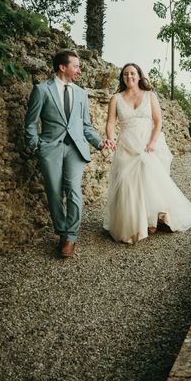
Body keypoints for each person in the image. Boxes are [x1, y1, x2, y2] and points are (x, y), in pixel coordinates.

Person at [103, 63, 191, 243]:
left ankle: (152, 218)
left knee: (149, 181)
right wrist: (111, 138)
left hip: (147, 143)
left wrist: (153, 142)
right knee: (128, 184)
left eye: (132, 73)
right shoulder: (116, 99)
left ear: (139, 76)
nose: (129, 77)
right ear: (122, 78)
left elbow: (158, 121)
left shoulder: (149, 95)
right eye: (125, 74)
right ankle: (134, 223)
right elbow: (110, 123)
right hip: (126, 145)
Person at [24, 49, 114, 258]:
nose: (79, 70)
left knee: (73, 189)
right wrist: (36, 146)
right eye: (76, 66)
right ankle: (62, 232)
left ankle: (71, 237)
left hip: (75, 148)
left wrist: (100, 142)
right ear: (62, 67)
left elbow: (86, 126)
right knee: (54, 192)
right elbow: (30, 123)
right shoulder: (41, 90)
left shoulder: (81, 93)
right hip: (50, 149)